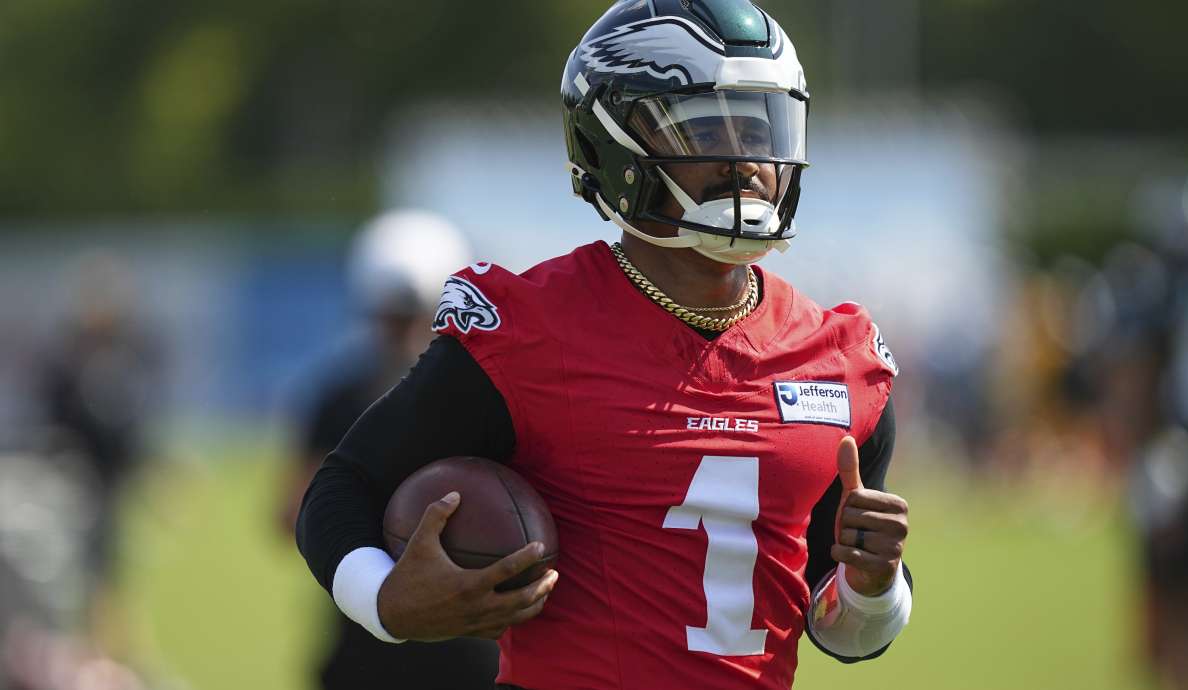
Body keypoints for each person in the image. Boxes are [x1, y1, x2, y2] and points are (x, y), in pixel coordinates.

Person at [298, 2, 914, 688]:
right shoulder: (530, 330)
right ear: (614, 147)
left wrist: (873, 587)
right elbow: (342, 488)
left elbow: (843, 627)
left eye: (761, 125)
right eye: (707, 126)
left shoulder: (841, 360)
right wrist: (385, 602)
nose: (747, 161)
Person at [280, 211, 500, 690]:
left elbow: (288, 515)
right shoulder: (488, 392)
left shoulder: (340, 395)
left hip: (396, 636)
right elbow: (291, 514)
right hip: (432, 639)